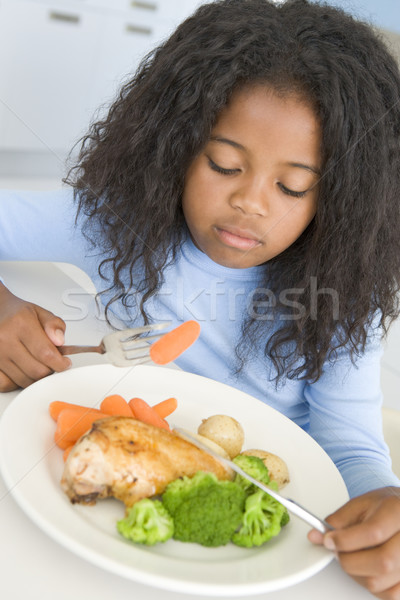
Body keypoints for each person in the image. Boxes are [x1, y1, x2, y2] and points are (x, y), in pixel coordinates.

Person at [1, 0, 400, 595]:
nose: (251, 202)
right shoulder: (114, 224)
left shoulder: (342, 293)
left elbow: (349, 441)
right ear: (174, 148)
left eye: (293, 186)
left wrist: (383, 508)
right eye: (223, 164)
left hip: (272, 538)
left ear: (338, 201)